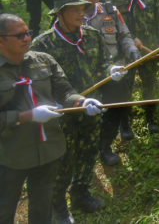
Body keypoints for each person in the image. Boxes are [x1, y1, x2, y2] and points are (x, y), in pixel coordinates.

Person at [0, 13, 97, 224]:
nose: (26, 38)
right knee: (4, 209)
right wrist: (28, 116)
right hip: (10, 155)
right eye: (19, 35)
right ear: (1, 39)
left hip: (49, 149)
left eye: (28, 33)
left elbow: (64, 90)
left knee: (42, 208)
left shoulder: (43, 60)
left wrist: (81, 102)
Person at [31, 0, 112, 221]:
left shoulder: (92, 35)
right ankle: (58, 204)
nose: (80, 13)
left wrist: (111, 70)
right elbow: (36, 82)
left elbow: (104, 61)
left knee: (88, 152)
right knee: (63, 159)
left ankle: (81, 193)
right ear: (59, 14)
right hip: (61, 113)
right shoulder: (42, 44)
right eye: (74, 10)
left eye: (82, 8)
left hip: (91, 107)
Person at [70, 0, 140, 166]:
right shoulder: (70, 18)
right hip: (87, 76)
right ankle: (89, 151)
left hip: (113, 70)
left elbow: (124, 35)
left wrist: (133, 52)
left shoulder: (109, 10)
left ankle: (105, 146)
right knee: (91, 114)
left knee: (114, 109)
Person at [106, 0, 159, 133]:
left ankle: (150, 119)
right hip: (124, 52)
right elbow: (109, 24)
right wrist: (130, 40)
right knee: (125, 86)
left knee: (149, 83)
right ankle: (125, 125)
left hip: (149, 48)